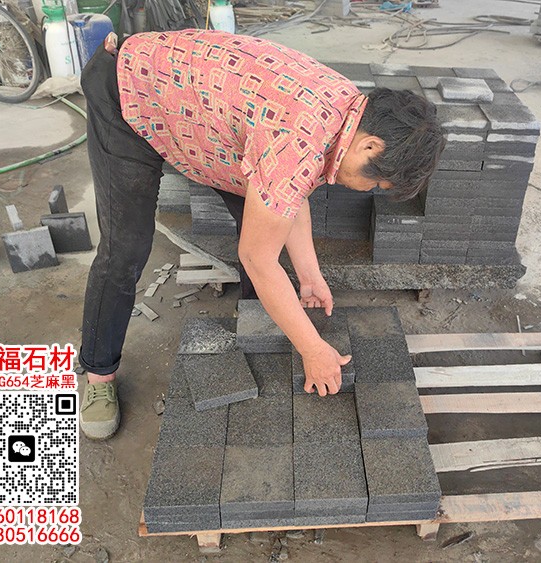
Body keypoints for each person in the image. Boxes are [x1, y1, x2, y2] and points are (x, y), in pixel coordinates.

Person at [77, 29, 445, 439]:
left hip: (203, 117)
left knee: (263, 226)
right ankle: (99, 373)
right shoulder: (298, 141)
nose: (368, 189)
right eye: (375, 183)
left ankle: (258, 324)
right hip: (131, 91)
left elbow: (292, 195)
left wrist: (309, 275)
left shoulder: (349, 111)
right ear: (370, 146)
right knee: (125, 247)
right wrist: (313, 349)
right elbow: (258, 250)